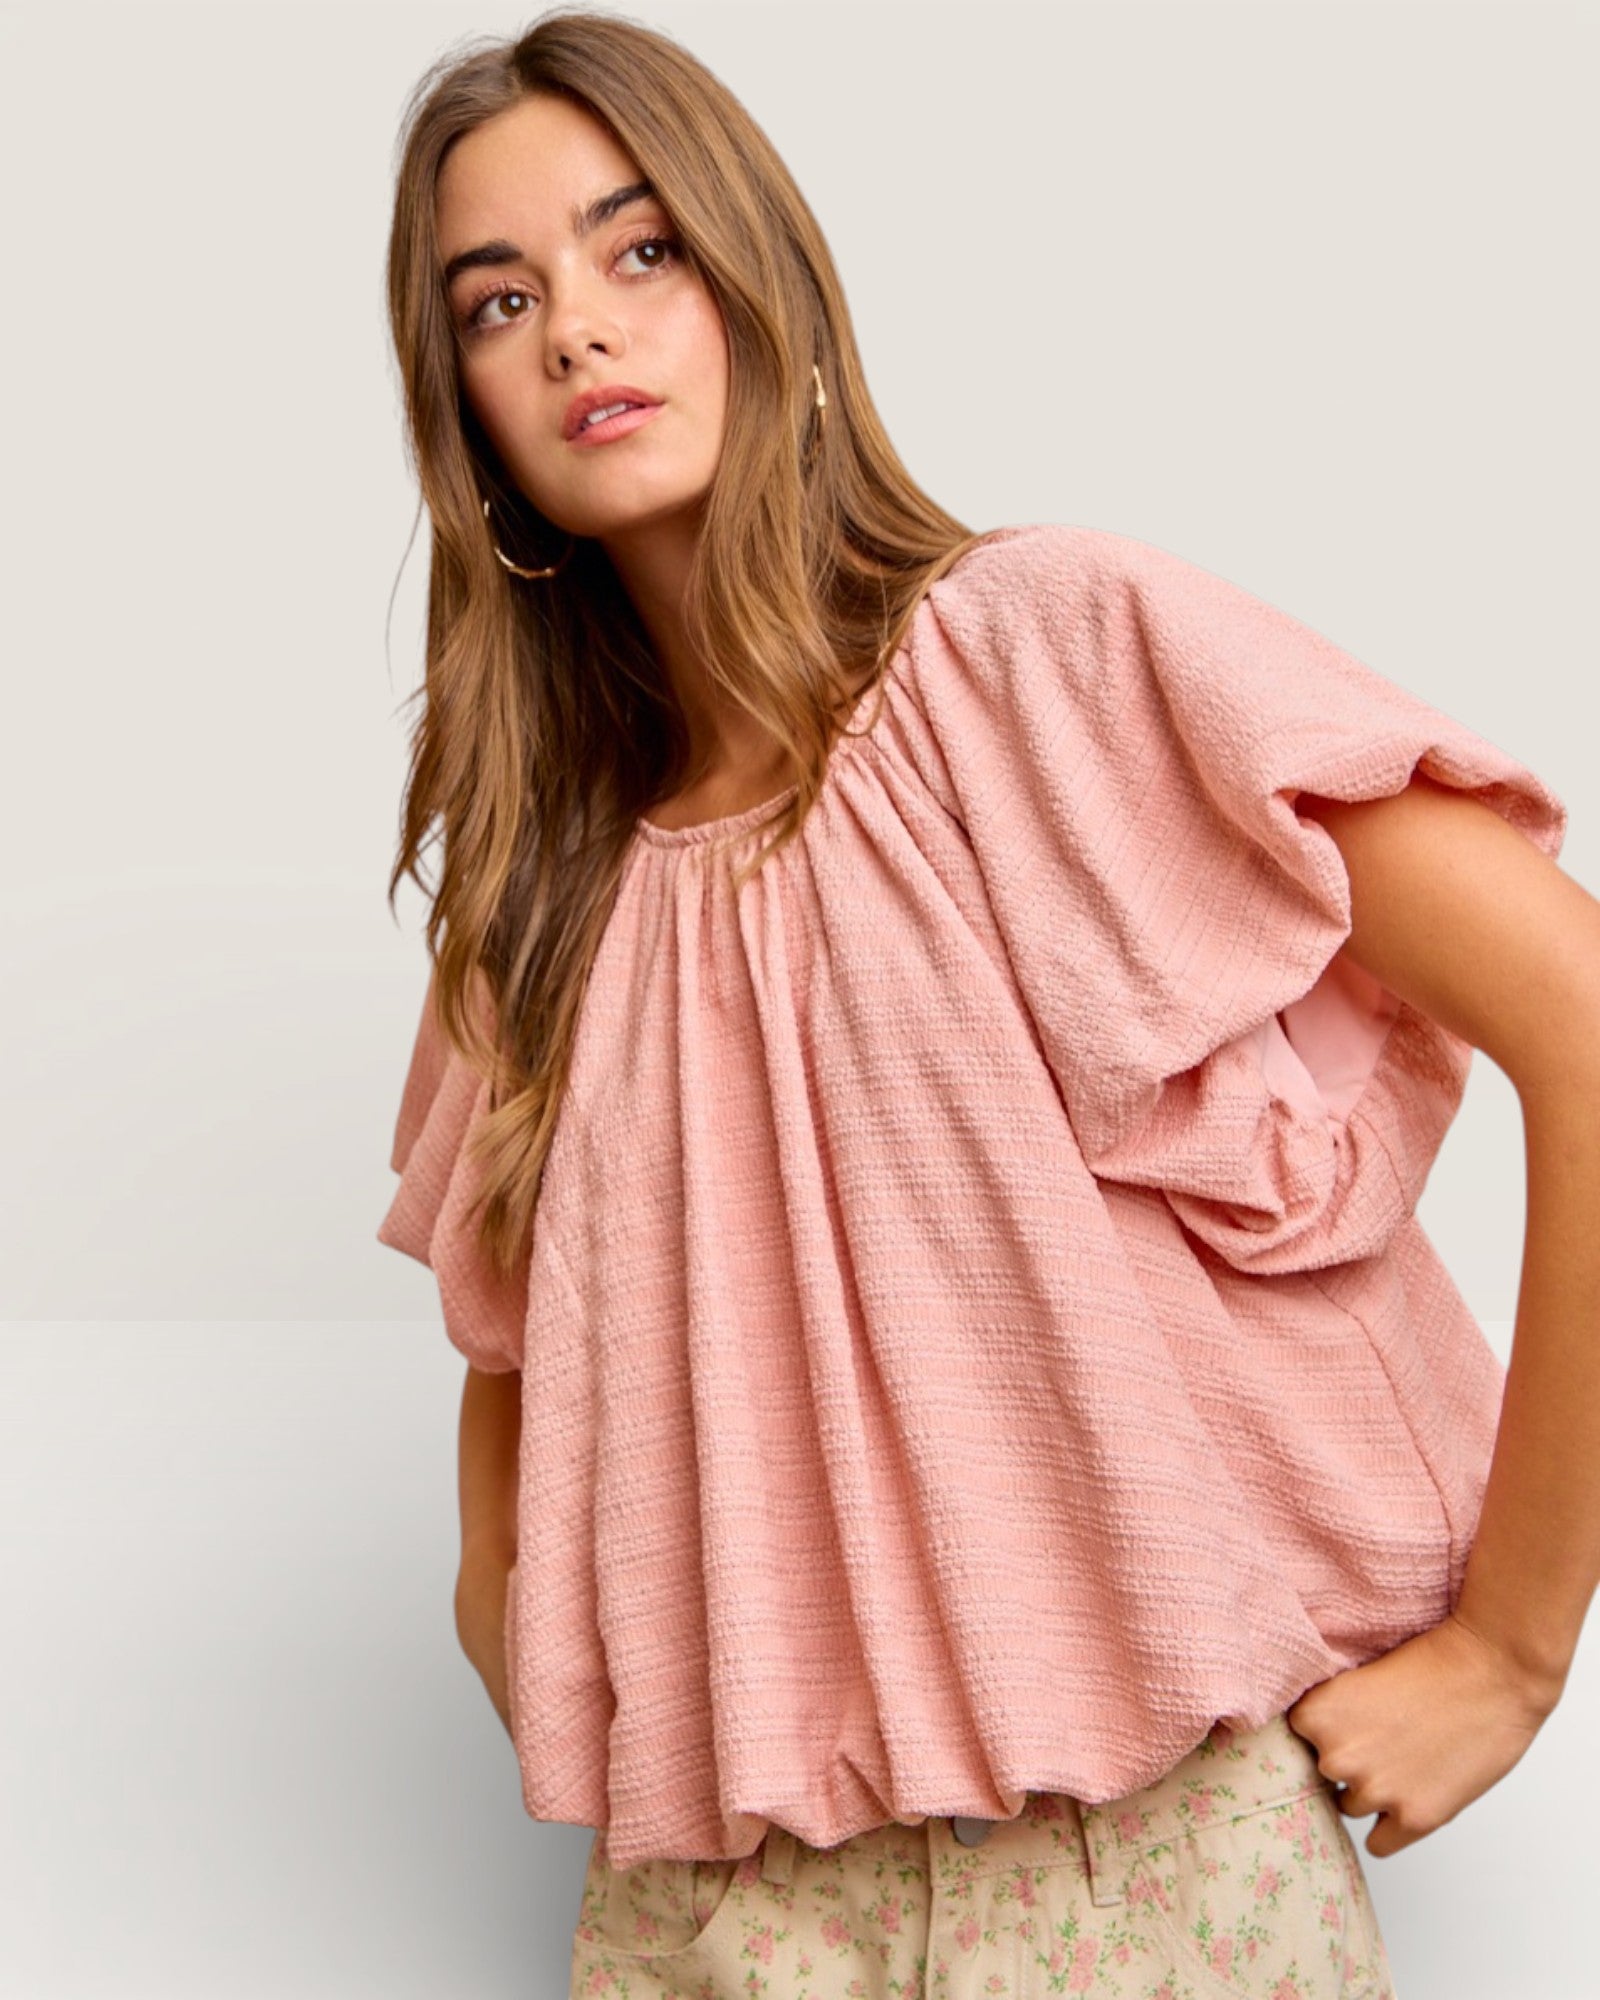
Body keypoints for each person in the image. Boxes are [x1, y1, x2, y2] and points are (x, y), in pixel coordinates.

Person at [375, 11, 1600, 1996]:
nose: (578, 332)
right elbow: (514, 1360)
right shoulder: (542, 892)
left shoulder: (1045, 661)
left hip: (1151, 1883)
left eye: (638, 248)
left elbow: (1585, 1016)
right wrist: (539, 1631)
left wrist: (1515, 1646)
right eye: (497, 301)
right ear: (468, 417)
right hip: (715, 1903)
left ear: (758, 279)